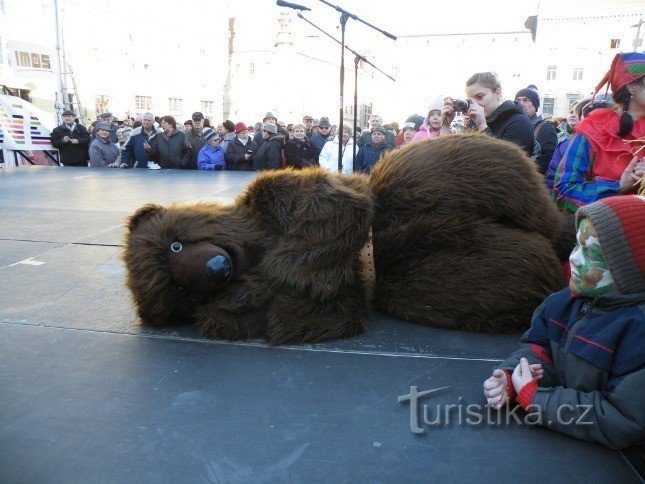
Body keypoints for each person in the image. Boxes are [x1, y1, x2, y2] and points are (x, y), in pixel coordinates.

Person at [483, 195, 645, 450]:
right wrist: (513, 375)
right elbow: (540, 348)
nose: (574, 259)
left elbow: (622, 418)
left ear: (628, 270)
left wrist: (535, 399)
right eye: (577, 246)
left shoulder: (637, 330)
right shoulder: (562, 303)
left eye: (592, 253)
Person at [553, 52, 645, 213]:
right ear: (631, 87)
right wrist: (619, 186)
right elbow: (564, 193)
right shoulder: (594, 130)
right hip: (605, 232)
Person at [443, 72, 534, 157]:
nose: (475, 104)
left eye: (479, 97)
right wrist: (446, 124)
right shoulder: (473, 122)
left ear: (498, 93)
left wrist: (483, 126)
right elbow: (453, 159)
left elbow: (504, 164)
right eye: (470, 100)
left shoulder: (519, 122)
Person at [515, 86, 558, 174]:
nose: (521, 103)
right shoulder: (512, 127)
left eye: (526, 100)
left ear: (535, 106)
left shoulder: (545, 127)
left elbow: (547, 160)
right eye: (518, 100)